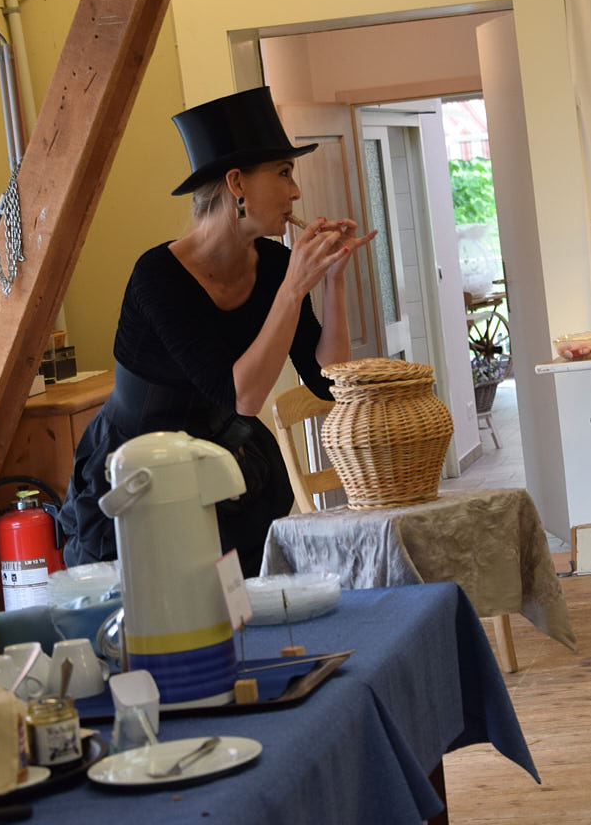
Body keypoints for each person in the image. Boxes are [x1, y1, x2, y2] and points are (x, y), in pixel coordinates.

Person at [57, 87, 376, 576]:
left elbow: (326, 381)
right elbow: (242, 396)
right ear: (237, 183)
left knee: (242, 603)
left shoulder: (275, 265)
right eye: (284, 173)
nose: (296, 192)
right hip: (137, 471)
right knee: (159, 610)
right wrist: (294, 288)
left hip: (223, 462)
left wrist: (332, 280)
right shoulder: (157, 276)